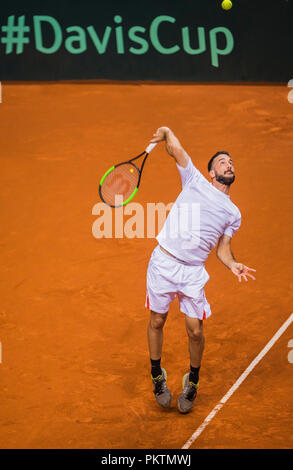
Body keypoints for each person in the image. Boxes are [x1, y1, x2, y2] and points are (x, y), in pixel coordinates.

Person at [146, 126, 256, 413]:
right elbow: (178, 152)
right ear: (210, 172)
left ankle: (192, 381)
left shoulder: (233, 213)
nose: (228, 164)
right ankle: (157, 374)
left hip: (193, 273)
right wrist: (168, 132)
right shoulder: (194, 179)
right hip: (164, 262)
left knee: (195, 331)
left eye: (231, 162)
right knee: (157, 320)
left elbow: (222, 248)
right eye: (222, 161)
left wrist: (233, 263)